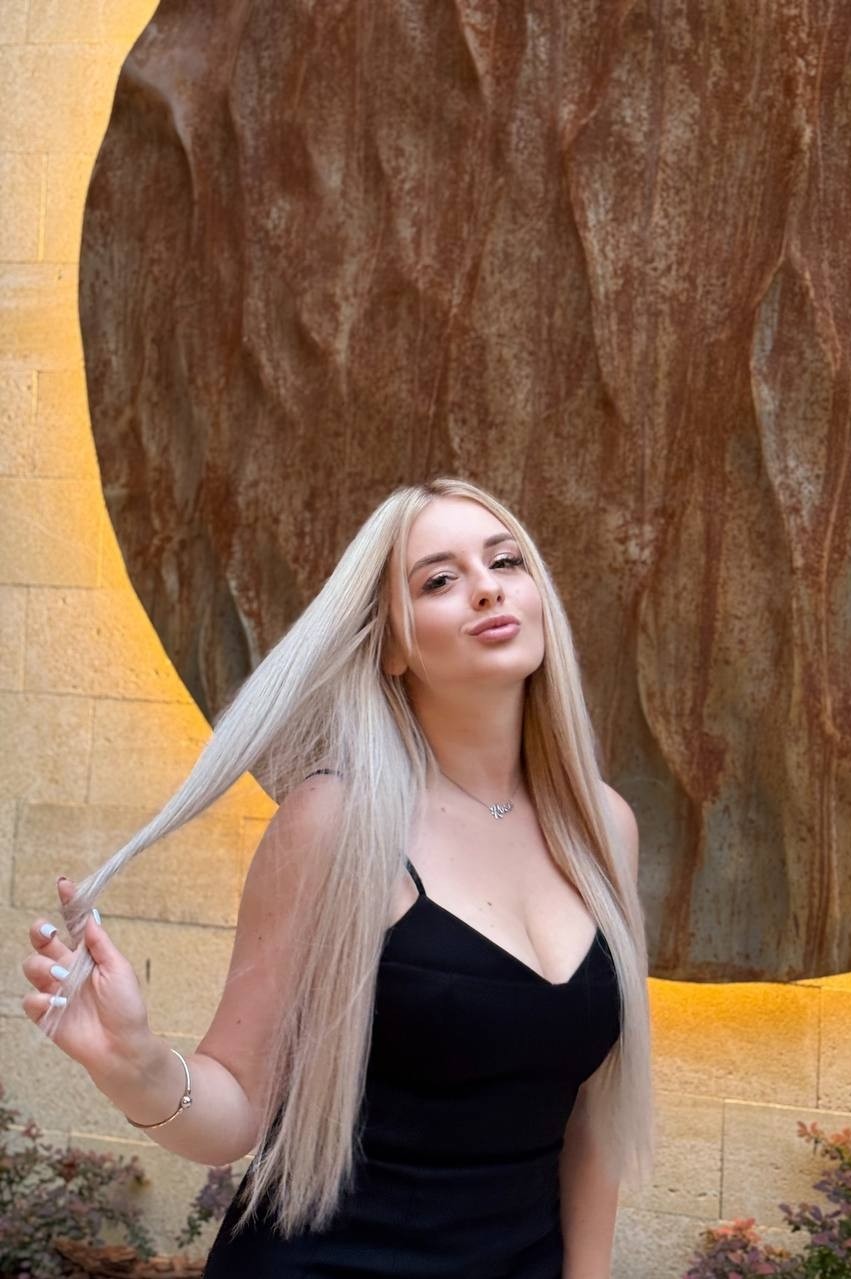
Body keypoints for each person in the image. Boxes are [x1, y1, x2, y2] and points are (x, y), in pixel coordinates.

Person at [21, 476, 654, 1278]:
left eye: (505, 561)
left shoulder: (604, 826)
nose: (487, 586)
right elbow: (235, 1106)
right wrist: (138, 1067)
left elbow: (592, 1116)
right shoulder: (333, 822)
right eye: (438, 579)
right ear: (392, 646)